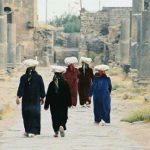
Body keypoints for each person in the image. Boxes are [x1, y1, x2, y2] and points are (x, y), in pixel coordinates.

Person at [16, 59, 45, 137]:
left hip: (26, 100)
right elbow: (42, 88)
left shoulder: (23, 77)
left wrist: (18, 97)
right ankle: (34, 131)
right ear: (35, 67)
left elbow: (21, 88)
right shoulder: (39, 77)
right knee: (35, 114)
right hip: (35, 99)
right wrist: (42, 97)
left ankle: (28, 130)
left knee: (26, 114)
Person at [44, 66, 72, 137]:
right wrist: (70, 103)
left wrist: (46, 105)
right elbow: (68, 94)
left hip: (54, 104)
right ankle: (62, 125)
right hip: (63, 103)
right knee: (63, 116)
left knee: (54, 117)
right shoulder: (65, 83)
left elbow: (48, 95)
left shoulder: (51, 84)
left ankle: (56, 131)